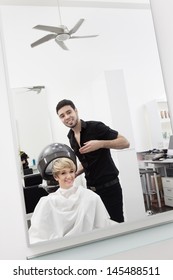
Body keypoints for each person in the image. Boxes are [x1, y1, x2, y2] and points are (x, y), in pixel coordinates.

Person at [56, 99, 130, 223]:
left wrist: (100, 144)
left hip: (110, 188)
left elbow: (125, 142)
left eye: (69, 112)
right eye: (62, 116)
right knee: (97, 226)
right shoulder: (70, 137)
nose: (67, 117)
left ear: (76, 110)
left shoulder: (96, 127)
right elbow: (86, 163)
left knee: (116, 225)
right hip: (91, 191)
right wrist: (72, 174)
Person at [29, 157, 116, 244]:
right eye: (63, 173)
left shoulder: (90, 197)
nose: (69, 176)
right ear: (56, 177)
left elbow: (102, 226)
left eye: (71, 171)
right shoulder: (48, 203)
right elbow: (37, 234)